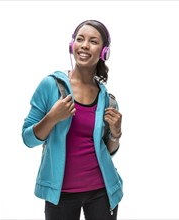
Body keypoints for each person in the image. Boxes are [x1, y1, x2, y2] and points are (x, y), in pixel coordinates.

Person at [22, 19, 123, 220]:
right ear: (72, 45)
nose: (85, 45)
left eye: (93, 41)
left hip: (102, 191)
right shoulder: (50, 85)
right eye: (80, 39)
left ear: (104, 52)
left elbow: (108, 151)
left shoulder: (107, 100)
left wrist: (116, 133)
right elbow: (27, 138)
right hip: (61, 194)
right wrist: (52, 118)